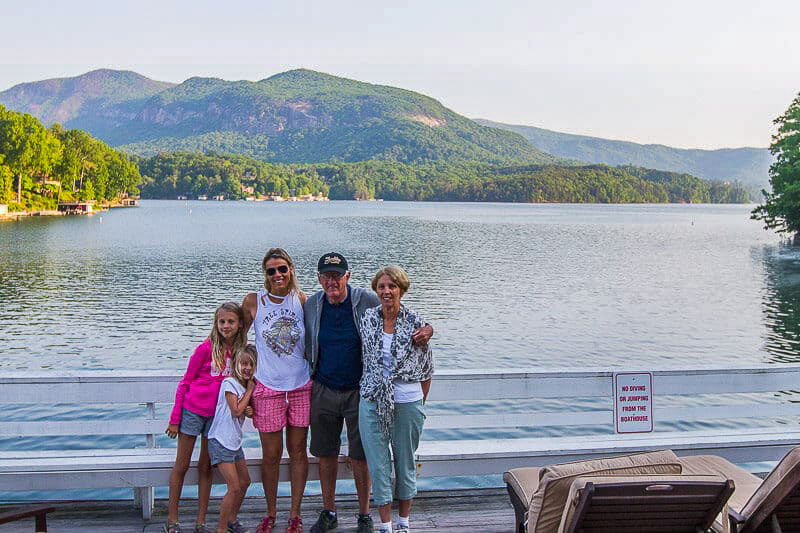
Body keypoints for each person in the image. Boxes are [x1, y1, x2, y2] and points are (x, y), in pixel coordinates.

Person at [304, 253, 433, 533]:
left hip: (359, 391)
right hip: (324, 388)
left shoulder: (365, 300)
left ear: (348, 276)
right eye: (326, 275)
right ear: (319, 278)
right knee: (325, 454)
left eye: (337, 275)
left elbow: (401, 311)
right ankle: (329, 511)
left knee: (361, 456)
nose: (332, 281)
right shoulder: (312, 304)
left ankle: (365, 515)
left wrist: (429, 328)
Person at [358, 267, 433, 533]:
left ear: (401, 288)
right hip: (372, 399)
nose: (386, 291)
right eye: (381, 286)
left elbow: (427, 367)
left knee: (405, 461)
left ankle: (404, 523)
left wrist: (417, 403)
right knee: (378, 464)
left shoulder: (416, 323)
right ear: (375, 290)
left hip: (407, 399)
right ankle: (386, 525)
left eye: (392, 286)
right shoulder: (368, 318)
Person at [242, 248, 309, 533]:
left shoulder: (303, 300)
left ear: (291, 269)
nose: (278, 275)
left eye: (282, 269)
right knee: (270, 454)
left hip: (301, 386)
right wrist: (243, 385)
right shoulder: (253, 301)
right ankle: (270, 512)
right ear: (265, 274)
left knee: (297, 451)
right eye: (271, 271)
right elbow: (239, 344)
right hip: (267, 387)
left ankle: (295, 514)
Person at [164, 302, 247, 533]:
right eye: (222, 322)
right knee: (181, 464)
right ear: (216, 323)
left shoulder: (240, 353)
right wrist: (174, 418)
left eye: (231, 321)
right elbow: (185, 383)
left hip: (216, 419)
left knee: (205, 466)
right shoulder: (205, 349)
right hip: (193, 411)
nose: (226, 326)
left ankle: (201, 521)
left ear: (239, 324)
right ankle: (172, 518)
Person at [207, 345, 257, 533]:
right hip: (220, 440)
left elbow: (245, 411)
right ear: (236, 364)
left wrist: (250, 411)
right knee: (234, 487)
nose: (247, 368)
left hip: (234, 441)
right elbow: (236, 410)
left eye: (251, 365)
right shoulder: (229, 383)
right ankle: (221, 528)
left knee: (244, 482)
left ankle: (231, 520)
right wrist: (250, 392)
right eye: (244, 364)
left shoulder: (244, 385)